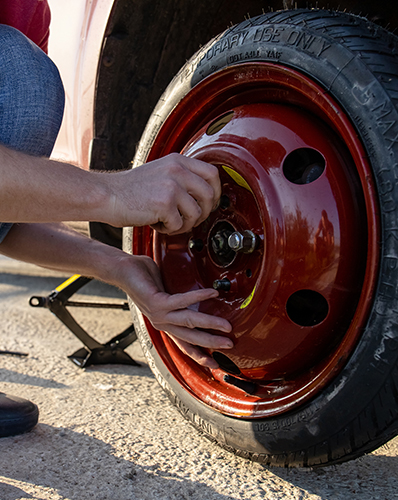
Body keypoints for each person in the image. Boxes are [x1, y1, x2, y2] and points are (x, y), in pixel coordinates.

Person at [0, 5, 232, 437]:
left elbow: (9, 211)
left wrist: (120, 266)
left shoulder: (26, 10)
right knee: (20, 73)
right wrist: (114, 192)